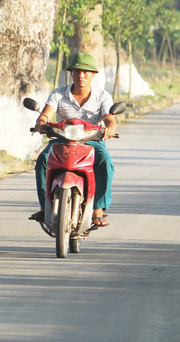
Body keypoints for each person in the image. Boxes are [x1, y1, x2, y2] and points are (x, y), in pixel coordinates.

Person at [30, 52, 117, 227]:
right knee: (42, 161)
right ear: (71, 73)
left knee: (105, 161)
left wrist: (110, 127)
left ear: (93, 75)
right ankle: (45, 206)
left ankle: (98, 208)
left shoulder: (102, 96)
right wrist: (41, 122)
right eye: (77, 71)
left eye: (86, 72)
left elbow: (110, 119)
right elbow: (46, 114)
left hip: (91, 141)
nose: (81, 76)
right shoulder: (59, 94)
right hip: (61, 141)